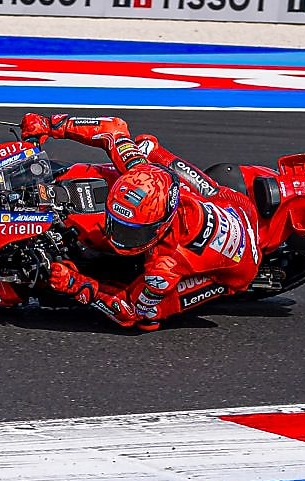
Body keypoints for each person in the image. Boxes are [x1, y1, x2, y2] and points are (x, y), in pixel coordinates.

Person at [20, 113, 262, 332]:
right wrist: (51, 125)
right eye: (117, 225)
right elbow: (113, 129)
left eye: (130, 233)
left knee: (152, 314)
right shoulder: (141, 170)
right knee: (147, 145)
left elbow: (132, 313)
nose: (117, 237)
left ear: (160, 226)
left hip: (238, 267)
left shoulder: (164, 266)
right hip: (224, 201)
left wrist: (78, 285)